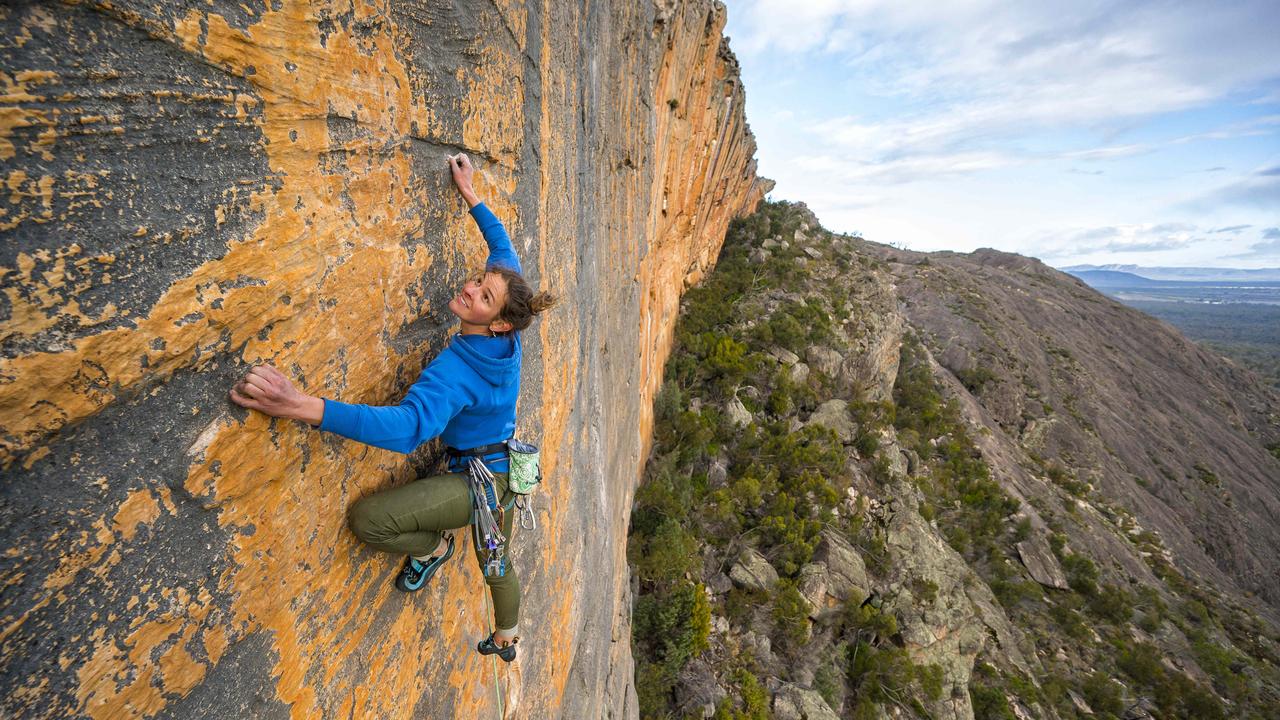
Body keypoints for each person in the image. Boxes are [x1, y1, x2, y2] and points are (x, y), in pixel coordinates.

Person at [229, 153, 554, 662]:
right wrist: (469, 193)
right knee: (498, 562)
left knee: (373, 522)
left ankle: (444, 564)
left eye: (483, 295)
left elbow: (406, 430)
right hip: (507, 470)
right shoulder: (509, 325)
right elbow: (502, 247)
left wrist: (299, 405)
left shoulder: (457, 374)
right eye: (478, 282)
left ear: (498, 323)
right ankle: (485, 601)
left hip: (483, 485)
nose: (470, 288)